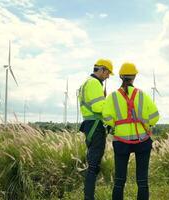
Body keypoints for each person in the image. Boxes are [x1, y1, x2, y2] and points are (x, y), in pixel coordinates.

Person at [102, 62, 160, 200]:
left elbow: (106, 118)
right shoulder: (143, 96)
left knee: (119, 180)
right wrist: (147, 124)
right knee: (142, 181)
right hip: (142, 141)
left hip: (121, 142)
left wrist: (116, 125)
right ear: (134, 77)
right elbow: (155, 116)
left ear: (121, 77)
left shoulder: (113, 97)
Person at [78, 59, 114, 200]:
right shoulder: (94, 83)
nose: (108, 77)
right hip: (95, 125)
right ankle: (89, 197)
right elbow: (98, 107)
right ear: (102, 69)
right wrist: (111, 106)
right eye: (108, 73)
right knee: (93, 165)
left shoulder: (87, 82)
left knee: (93, 163)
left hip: (90, 124)